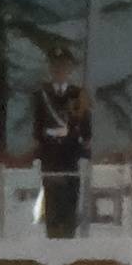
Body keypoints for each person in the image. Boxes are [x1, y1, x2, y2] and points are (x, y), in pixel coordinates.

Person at [28, 79, 91, 243]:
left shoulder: (77, 94)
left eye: (63, 66)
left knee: (69, 201)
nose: (59, 71)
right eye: (56, 66)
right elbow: (37, 125)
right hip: (50, 155)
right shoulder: (42, 94)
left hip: (70, 156)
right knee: (52, 200)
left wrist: (84, 148)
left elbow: (85, 128)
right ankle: (53, 234)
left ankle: (68, 233)